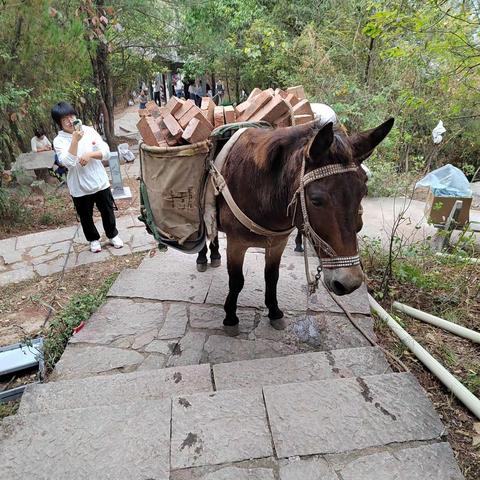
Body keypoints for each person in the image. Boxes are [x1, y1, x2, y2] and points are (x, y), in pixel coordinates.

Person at [51, 101, 123, 253]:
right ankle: (93, 240)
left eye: (72, 116)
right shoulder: (59, 141)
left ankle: (112, 234)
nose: (70, 121)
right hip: (79, 185)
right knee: (85, 216)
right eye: (65, 119)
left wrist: (90, 154)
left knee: (107, 210)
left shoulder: (89, 131)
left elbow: (106, 152)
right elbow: (67, 162)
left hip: (99, 181)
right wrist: (75, 141)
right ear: (59, 123)